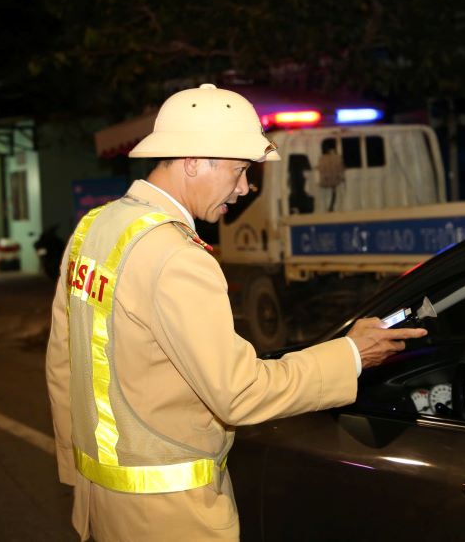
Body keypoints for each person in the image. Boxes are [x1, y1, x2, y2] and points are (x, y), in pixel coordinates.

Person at [45, 83, 426, 541]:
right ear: (193, 161)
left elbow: (62, 366)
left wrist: (74, 470)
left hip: (103, 503)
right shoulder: (177, 257)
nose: (245, 187)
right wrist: (351, 357)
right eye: (241, 169)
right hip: (171, 517)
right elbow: (239, 393)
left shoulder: (94, 229)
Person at [316, 138, 345, 211]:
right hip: (337, 184)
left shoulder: (322, 158)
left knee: (328, 201)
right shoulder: (338, 158)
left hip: (326, 184)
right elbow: (341, 170)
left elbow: (320, 169)